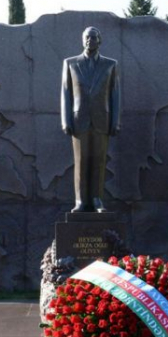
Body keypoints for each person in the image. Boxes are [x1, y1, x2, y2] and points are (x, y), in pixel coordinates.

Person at [61, 26, 121, 213]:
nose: (90, 40)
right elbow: (66, 93)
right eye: (87, 37)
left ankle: (96, 200)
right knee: (80, 162)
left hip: (102, 120)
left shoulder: (110, 65)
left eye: (93, 37)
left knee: (99, 161)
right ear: (82, 40)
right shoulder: (70, 63)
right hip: (79, 121)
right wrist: (66, 120)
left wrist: (115, 121)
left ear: (99, 41)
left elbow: (115, 94)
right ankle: (80, 201)